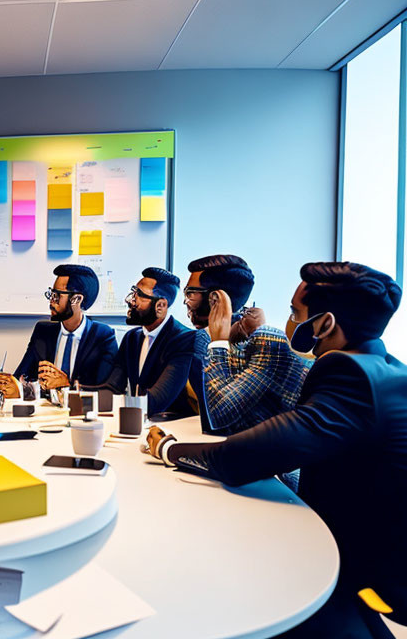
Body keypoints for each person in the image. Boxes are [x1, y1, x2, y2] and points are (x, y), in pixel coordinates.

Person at [144, 262, 407, 637]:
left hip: (361, 569)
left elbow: (239, 457)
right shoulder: (384, 366)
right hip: (364, 552)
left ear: (324, 325)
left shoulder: (350, 377)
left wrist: (167, 449)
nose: (285, 321)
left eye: (294, 313)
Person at [183, 254, 309, 435]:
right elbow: (210, 426)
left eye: (190, 293)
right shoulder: (203, 339)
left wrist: (218, 343)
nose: (186, 302)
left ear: (215, 298)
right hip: (233, 448)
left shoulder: (267, 340)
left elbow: (219, 417)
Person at [0, 264, 117, 398]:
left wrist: (67, 384)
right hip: (45, 412)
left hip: (82, 413)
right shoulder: (43, 331)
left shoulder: (102, 335)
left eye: (58, 296)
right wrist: (12, 385)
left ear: (77, 299)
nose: (51, 302)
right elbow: (22, 376)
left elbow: (108, 389)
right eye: (51, 294)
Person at [101, 267, 202, 418]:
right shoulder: (131, 338)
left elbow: (158, 400)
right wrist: (72, 392)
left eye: (140, 296)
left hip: (172, 428)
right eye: (134, 293)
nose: (131, 301)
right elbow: (112, 386)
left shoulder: (184, 339)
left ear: (160, 306)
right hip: (138, 422)